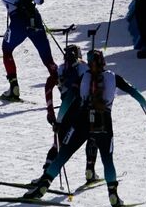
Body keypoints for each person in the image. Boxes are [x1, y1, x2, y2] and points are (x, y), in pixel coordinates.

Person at [25, 49, 146, 207]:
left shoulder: (83, 77)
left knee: (64, 154)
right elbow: (134, 92)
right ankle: (113, 194)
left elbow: (68, 100)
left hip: (82, 119)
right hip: (104, 120)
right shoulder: (113, 77)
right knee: (107, 160)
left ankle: (42, 187)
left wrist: (59, 121)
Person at [41, 44, 101, 183]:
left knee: (60, 144)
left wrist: (50, 111)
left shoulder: (61, 70)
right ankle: (90, 171)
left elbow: (48, 86)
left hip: (65, 112)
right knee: (93, 136)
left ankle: (46, 174)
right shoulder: (85, 67)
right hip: (82, 112)